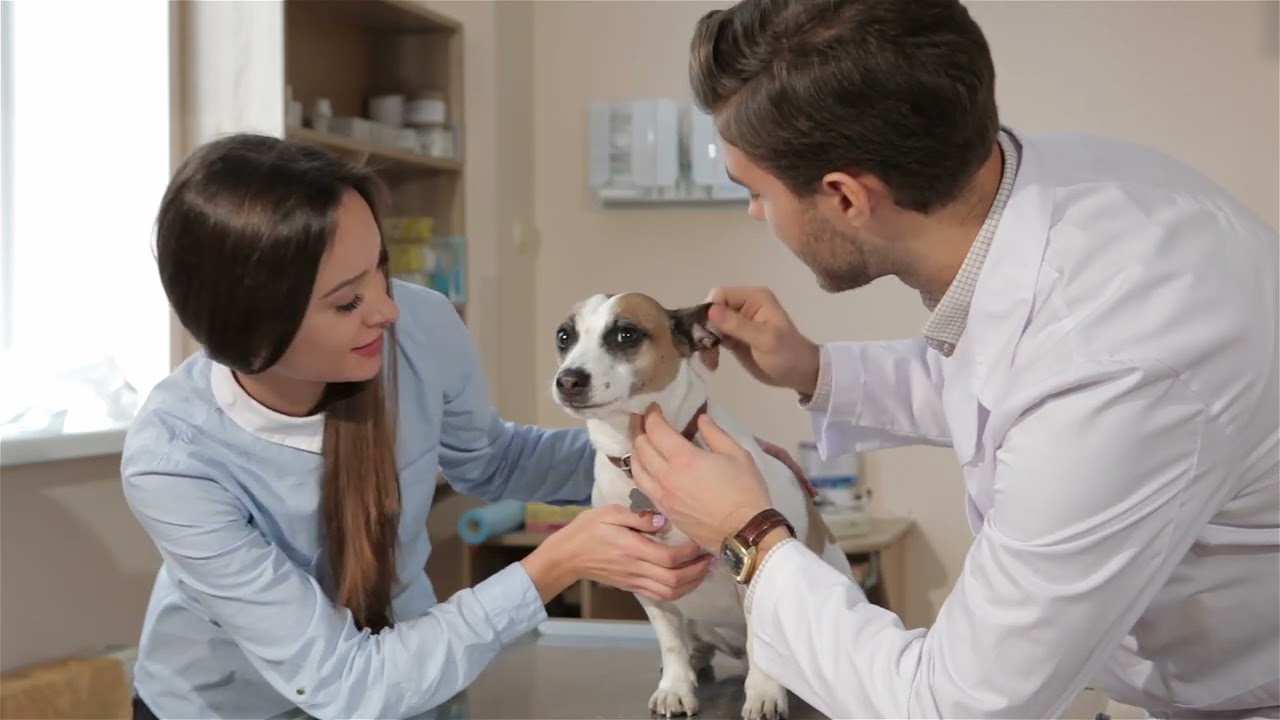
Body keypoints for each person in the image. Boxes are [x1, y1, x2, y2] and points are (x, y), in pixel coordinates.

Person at [626, 0, 1280, 718]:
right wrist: (816, 369)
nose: (757, 214)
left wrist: (749, 536)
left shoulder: (1113, 359)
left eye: (756, 193)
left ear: (844, 197)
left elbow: (957, 707)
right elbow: (1004, 376)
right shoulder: (1061, 188)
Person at [119, 133, 732, 720]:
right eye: (346, 301)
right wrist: (554, 565)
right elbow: (343, 680)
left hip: (404, 681)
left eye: (380, 269)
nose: (387, 309)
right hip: (226, 707)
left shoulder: (419, 323)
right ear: (254, 337)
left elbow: (492, 460)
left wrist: (680, 456)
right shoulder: (174, 460)